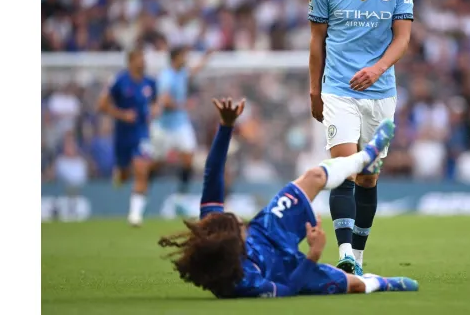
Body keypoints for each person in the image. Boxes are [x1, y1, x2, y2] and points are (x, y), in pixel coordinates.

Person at [159, 98, 419, 298]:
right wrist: (312, 256)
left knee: (314, 176)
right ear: (234, 247)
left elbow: (212, 173)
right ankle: (382, 283)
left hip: (269, 229)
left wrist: (226, 127)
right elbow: (287, 289)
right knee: (349, 284)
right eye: (240, 228)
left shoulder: (212, 230)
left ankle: (367, 155)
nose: (242, 223)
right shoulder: (246, 283)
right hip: (284, 268)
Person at [307, 0, 414, 275]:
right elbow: (316, 42)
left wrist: (377, 69)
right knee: (344, 170)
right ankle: (346, 252)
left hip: (381, 92)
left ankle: (360, 258)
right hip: (338, 89)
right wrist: (314, 90)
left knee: (368, 177)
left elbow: (402, 38)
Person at [150, 46, 215, 215]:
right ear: (175, 58)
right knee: (158, 162)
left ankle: (181, 194)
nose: (185, 59)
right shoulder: (166, 77)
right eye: (183, 56)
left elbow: (194, 70)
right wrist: (182, 105)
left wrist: (206, 57)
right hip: (164, 126)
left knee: (188, 157)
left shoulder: (181, 73)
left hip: (180, 124)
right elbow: (164, 99)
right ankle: (145, 185)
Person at [97, 49, 158, 226]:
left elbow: (155, 102)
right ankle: (120, 174)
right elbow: (101, 105)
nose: (144, 62)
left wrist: (154, 110)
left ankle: (135, 215)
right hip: (122, 135)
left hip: (141, 133)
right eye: (140, 58)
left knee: (141, 169)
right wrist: (122, 115)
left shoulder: (150, 82)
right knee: (124, 174)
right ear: (131, 61)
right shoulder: (119, 81)